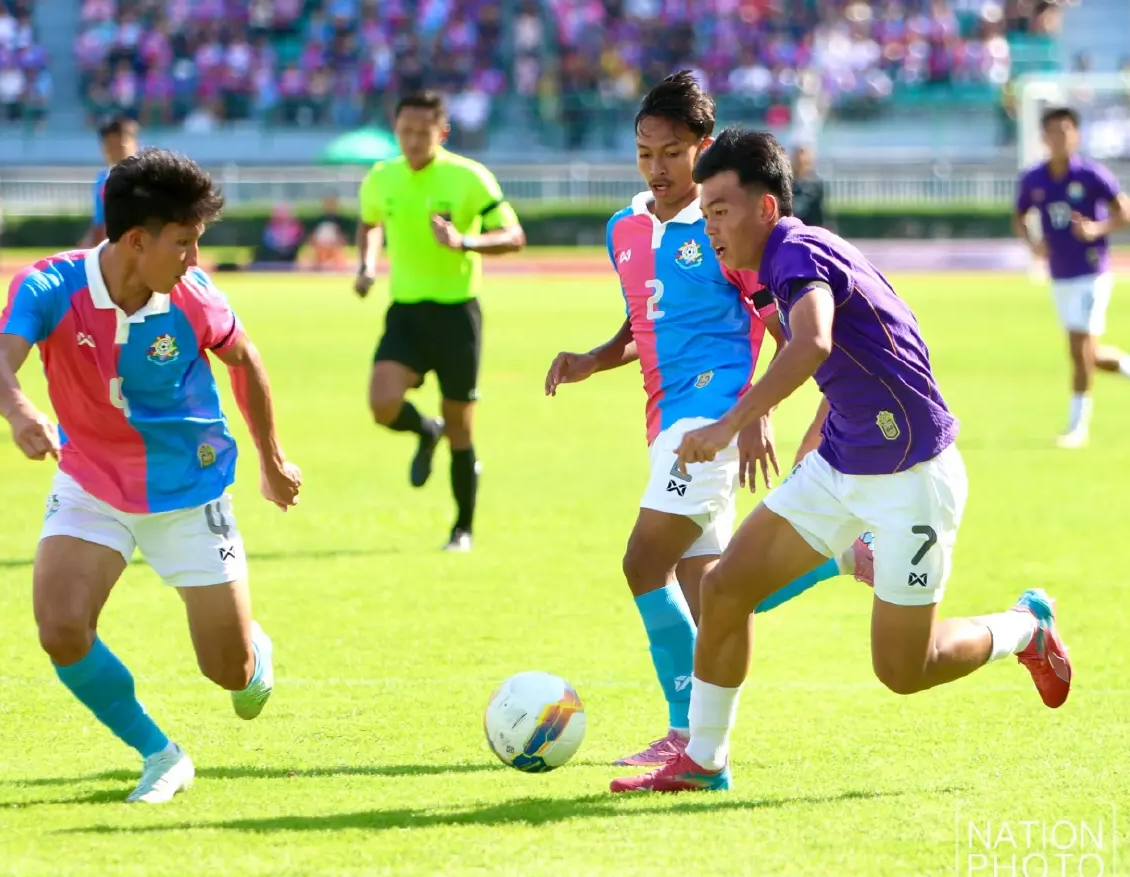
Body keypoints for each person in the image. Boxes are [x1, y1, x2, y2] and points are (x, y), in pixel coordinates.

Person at [610, 128, 1072, 794]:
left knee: (906, 668)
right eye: (704, 211)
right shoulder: (782, 259)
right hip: (842, 464)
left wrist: (731, 423)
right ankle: (704, 760)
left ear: (765, 207)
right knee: (724, 587)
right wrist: (824, 425)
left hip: (913, 480)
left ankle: (1026, 628)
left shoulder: (795, 249)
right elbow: (867, 343)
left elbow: (815, 341)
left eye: (720, 210)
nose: (710, 226)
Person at [544, 73, 874, 769]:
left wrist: (754, 414)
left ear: (701, 147)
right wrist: (590, 358)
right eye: (644, 153)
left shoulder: (724, 228)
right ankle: (838, 553)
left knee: (642, 562)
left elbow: (785, 328)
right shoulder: (624, 228)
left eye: (670, 152)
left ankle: (682, 731)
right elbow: (642, 321)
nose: (657, 168)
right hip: (663, 418)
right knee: (713, 591)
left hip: (708, 419)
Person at [0, 149, 302, 804]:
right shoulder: (48, 287)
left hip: (190, 491)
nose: (193, 258)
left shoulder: (195, 296)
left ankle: (251, 652)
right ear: (135, 239)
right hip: (91, 482)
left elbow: (248, 362)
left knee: (231, 675)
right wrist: (19, 414)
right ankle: (161, 754)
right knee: (61, 627)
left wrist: (271, 460)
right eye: (183, 243)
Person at [355, 90, 526, 552]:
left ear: (442, 131)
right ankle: (424, 430)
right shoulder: (381, 177)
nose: (412, 140)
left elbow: (513, 235)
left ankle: (462, 528)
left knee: (462, 426)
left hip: (457, 315)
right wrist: (368, 264)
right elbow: (370, 222)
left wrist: (465, 242)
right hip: (407, 312)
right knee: (382, 403)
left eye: (422, 132)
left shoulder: (469, 178)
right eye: (404, 131)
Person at [1014, 106, 1130, 449]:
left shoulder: (1093, 175)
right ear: (1043, 137)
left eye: (1065, 130)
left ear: (1076, 135)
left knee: (1078, 350)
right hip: (1060, 274)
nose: (1059, 137)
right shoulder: (1033, 179)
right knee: (1088, 352)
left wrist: (1098, 228)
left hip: (1092, 272)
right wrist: (1033, 243)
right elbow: (1019, 216)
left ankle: (1077, 427)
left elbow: (1126, 212)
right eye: (1052, 131)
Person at [81, 115, 139, 249]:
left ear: (134, 143)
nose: (114, 152)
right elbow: (99, 221)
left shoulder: (147, 177)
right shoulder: (103, 180)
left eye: (120, 145)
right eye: (109, 146)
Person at [790, 145, 825, 228]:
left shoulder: (815, 185)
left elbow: (819, 212)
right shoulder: (787, 183)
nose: (799, 162)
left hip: (810, 227)